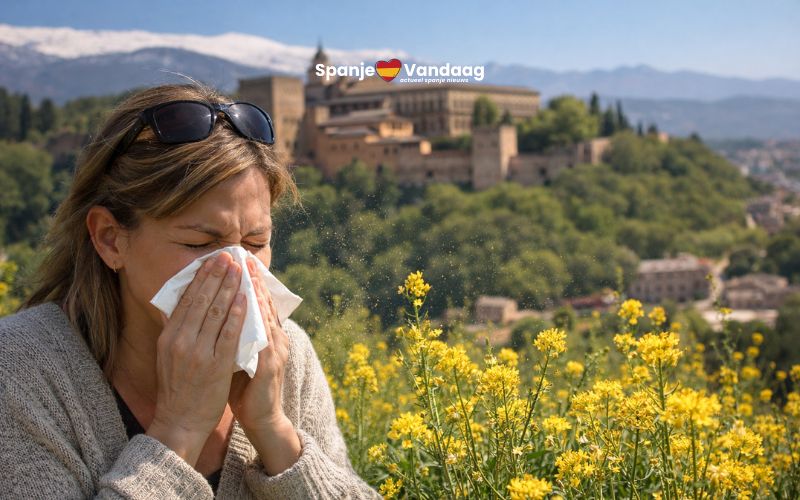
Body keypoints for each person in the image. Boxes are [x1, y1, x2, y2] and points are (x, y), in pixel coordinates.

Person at [0, 83, 381, 499]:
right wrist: (178, 430)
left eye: (255, 243)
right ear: (111, 239)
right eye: (199, 244)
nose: (236, 269)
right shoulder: (21, 372)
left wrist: (274, 432)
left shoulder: (288, 355)